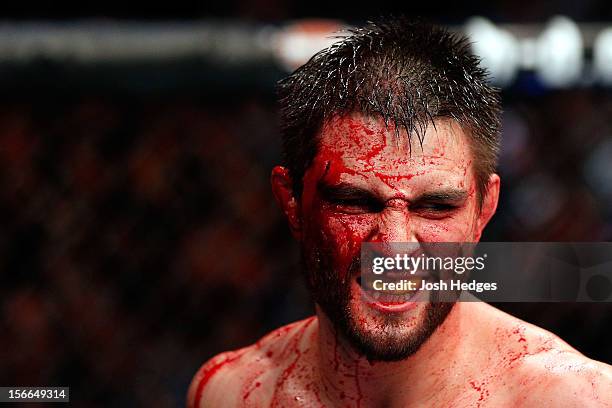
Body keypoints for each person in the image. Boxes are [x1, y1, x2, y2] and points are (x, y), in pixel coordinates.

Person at [188, 18, 612, 407]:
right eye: (355, 202)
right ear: (292, 202)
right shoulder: (234, 392)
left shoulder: (571, 398)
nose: (394, 249)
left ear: (484, 211)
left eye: (436, 207)